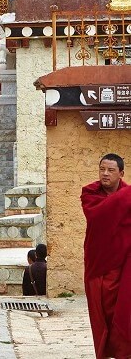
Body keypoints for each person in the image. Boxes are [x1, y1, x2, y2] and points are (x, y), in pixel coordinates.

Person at [81, 153, 131, 358]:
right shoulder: (90, 193)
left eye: (111, 170)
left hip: (125, 264)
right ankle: (105, 351)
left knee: (124, 312)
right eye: (102, 169)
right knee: (101, 314)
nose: (105, 174)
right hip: (98, 265)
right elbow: (98, 215)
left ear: (121, 173)